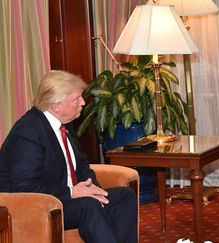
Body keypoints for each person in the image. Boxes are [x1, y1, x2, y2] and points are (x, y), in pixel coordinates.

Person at [0, 70, 137, 243]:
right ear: (55, 105)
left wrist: (93, 188)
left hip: (67, 200)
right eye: (76, 99)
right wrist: (72, 192)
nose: (82, 103)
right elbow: (24, 186)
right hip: (37, 207)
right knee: (89, 206)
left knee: (124, 197)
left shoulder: (64, 124)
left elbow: (81, 165)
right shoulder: (28, 132)